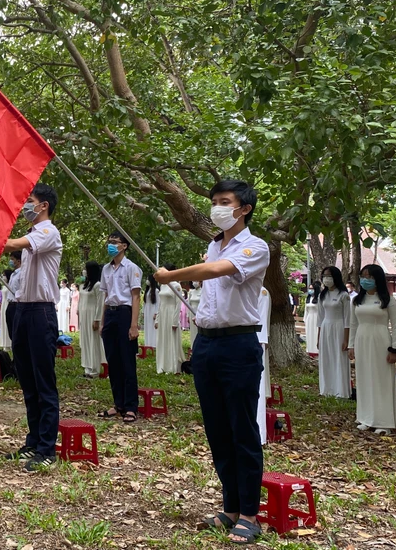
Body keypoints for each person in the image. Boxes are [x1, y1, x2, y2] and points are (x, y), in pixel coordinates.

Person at [154, 179, 269, 545]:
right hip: (207, 345)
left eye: (225, 202)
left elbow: (215, 271)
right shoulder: (212, 244)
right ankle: (230, 508)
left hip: (239, 346)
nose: (217, 208)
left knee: (242, 430)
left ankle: (250, 514)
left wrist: (170, 276)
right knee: (217, 429)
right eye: (215, 202)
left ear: (244, 208)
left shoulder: (255, 247)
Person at [3, 183, 63, 472]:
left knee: (43, 381)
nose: (26, 206)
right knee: (26, 378)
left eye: (31, 202)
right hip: (23, 310)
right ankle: (33, 440)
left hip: (41, 311)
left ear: (44, 206)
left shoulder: (49, 232)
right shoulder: (31, 235)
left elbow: (13, 245)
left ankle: (47, 448)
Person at [350, 264, 396, 434]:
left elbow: (395, 326)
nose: (366, 280)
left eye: (370, 277)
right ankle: (366, 417)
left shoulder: (388, 300)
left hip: (380, 341)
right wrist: (351, 345)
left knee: (381, 379)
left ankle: (384, 421)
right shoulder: (357, 300)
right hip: (362, 340)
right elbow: (353, 324)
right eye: (363, 276)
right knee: (364, 378)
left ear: (377, 279)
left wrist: (395, 349)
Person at [98, 231, 142, 421]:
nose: (111, 245)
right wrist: (102, 321)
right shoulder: (106, 269)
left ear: (124, 245)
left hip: (125, 314)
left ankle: (131, 407)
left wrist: (133, 325)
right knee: (113, 361)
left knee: (127, 361)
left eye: (115, 242)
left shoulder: (131, 268)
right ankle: (118, 404)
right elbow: (105, 297)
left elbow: (135, 296)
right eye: (110, 241)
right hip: (110, 314)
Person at [317, 266, 351, 399]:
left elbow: (348, 319)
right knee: (326, 358)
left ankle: (341, 391)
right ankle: (327, 388)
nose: (326, 278)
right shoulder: (322, 295)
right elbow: (320, 318)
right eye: (324, 275)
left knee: (339, 358)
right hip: (326, 327)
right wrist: (319, 337)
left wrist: (346, 339)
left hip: (339, 327)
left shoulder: (343, 295)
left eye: (329, 275)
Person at [78, 261, 106, 378]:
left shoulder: (98, 285)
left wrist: (97, 319)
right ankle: (87, 367)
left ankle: (94, 369)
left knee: (93, 341)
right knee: (85, 341)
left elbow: (100, 303)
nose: (84, 271)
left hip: (92, 316)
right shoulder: (85, 285)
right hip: (84, 316)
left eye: (86, 269)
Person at [156, 265, 183, 375]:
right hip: (163, 313)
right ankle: (162, 364)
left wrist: (175, 321)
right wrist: (157, 319)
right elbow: (160, 303)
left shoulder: (176, 285)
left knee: (171, 338)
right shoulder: (162, 285)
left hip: (171, 313)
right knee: (162, 338)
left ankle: (172, 366)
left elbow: (178, 303)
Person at [255, 286, 271, 445]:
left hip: (254, 341)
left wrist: (259, 344)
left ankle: (257, 433)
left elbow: (261, 320)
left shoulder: (262, 292)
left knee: (255, 390)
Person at [5, 251, 22, 342]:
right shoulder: (12, 274)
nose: (10, 261)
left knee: (17, 332)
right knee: (11, 331)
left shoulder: (22, 274)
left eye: (12, 259)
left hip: (17, 305)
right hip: (10, 305)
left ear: (19, 261)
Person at [142, 275, 159, 348]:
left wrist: (156, 313)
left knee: (152, 327)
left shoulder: (156, 291)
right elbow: (145, 302)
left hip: (153, 310)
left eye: (148, 279)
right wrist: (143, 311)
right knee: (147, 326)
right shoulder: (147, 290)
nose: (147, 280)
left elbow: (158, 302)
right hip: (147, 310)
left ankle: (153, 344)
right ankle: (147, 343)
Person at [304, 281, 320, 355]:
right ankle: (309, 350)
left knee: (316, 333)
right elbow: (306, 311)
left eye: (312, 288)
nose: (310, 290)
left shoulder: (319, 298)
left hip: (316, 318)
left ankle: (316, 351)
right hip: (309, 318)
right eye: (309, 288)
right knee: (309, 334)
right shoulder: (308, 299)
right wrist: (305, 319)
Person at [0, 270, 13, 351]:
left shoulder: (10, 285)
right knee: (3, 323)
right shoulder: (3, 286)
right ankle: (4, 343)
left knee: (8, 324)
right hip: (3, 305)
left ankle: (9, 343)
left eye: (4, 275)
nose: (3, 277)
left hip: (8, 304)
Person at [188, 281, 202, 348]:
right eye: (193, 281)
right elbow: (188, 304)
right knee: (192, 331)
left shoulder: (202, 291)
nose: (194, 282)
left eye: (196, 280)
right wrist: (187, 316)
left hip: (199, 313)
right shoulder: (191, 292)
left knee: (198, 331)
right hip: (191, 313)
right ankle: (192, 347)